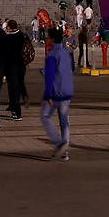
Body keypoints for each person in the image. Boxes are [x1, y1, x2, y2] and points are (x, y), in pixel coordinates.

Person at [40, 26, 74, 160]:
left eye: (48, 37)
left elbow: (50, 76)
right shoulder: (66, 52)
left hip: (56, 92)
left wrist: (48, 94)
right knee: (64, 121)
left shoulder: (52, 55)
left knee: (45, 116)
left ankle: (58, 142)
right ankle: (65, 151)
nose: (47, 39)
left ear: (52, 39)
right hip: (67, 90)